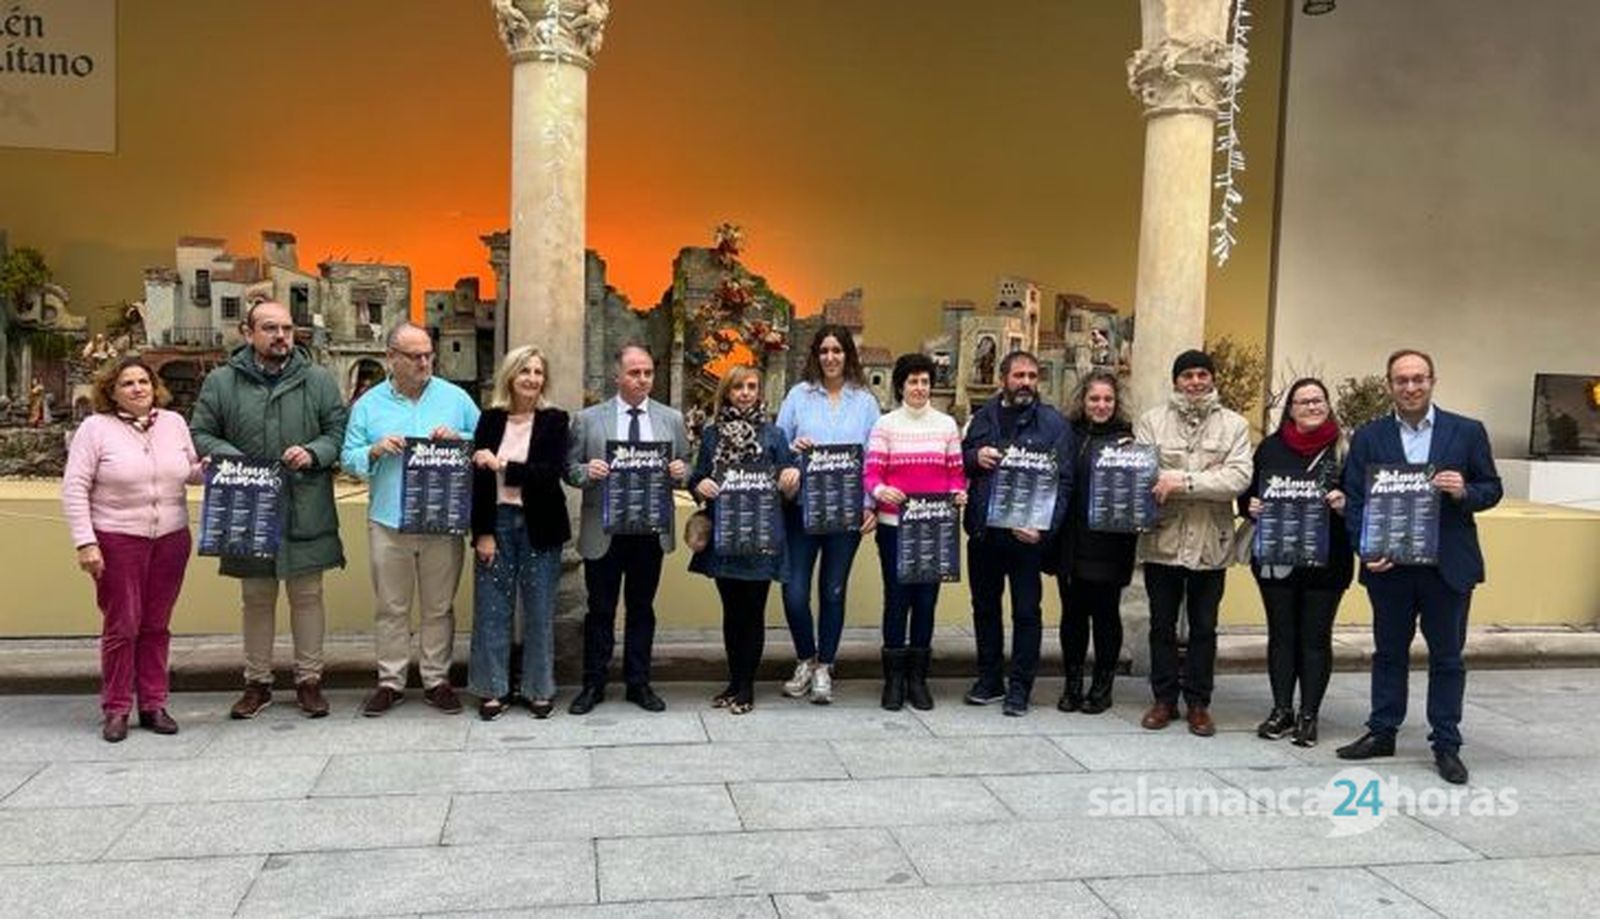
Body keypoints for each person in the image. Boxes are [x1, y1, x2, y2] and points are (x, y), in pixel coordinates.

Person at [1336, 349, 1502, 785]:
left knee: (1447, 658)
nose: (1410, 387)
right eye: (1402, 380)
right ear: (1389, 385)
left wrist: (1464, 491)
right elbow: (1355, 500)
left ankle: (1446, 743)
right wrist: (1364, 548)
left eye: (1418, 379)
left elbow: (1492, 488)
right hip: (1389, 565)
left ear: (1432, 381)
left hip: (1447, 566)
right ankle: (1382, 731)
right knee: (1388, 653)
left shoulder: (1466, 431)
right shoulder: (1369, 436)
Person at [190, 300, 348, 720]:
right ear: (248, 333)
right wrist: (238, 460)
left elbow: (338, 431)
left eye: (287, 329)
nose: (281, 336)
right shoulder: (221, 382)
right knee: (256, 598)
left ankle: (309, 681)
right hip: (248, 505)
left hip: (305, 505)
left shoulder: (318, 380)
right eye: (270, 328)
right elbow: (201, 433)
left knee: (308, 596)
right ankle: (256, 683)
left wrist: (313, 452)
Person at [340, 323, 481, 717]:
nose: (424, 362)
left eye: (428, 354)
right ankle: (391, 682)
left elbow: (486, 440)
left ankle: (437, 681)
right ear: (391, 358)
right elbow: (347, 456)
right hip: (389, 520)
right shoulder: (368, 404)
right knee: (391, 607)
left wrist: (459, 438)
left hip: (441, 518)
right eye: (414, 356)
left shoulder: (456, 398)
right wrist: (374, 450)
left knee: (439, 606)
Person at [61, 357, 201, 742]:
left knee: (156, 624)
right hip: (118, 538)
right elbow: (74, 487)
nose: (138, 389)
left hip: (171, 538)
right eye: (128, 383)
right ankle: (117, 706)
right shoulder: (95, 429)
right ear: (112, 391)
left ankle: (154, 703)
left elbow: (189, 470)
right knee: (122, 625)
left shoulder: (173, 423)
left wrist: (211, 469)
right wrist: (85, 542)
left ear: (155, 387)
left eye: (144, 381)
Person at [565, 344, 689, 714]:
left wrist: (680, 471)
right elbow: (569, 468)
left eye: (648, 372)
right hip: (604, 529)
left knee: (642, 608)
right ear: (617, 375)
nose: (642, 379)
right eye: (635, 373)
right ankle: (593, 684)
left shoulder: (671, 419)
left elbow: (686, 463)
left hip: (649, 529)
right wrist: (587, 472)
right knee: (600, 609)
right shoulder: (588, 419)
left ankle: (639, 683)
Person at [1134, 349, 1252, 737]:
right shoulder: (1151, 421)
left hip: (1210, 542)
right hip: (1163, 539)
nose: (1196, 382)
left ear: (1212, 378)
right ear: (1176, 381)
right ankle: (1164, 699)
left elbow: (1237, 479)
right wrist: (1207, 478)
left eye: (1202, 374)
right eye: (1188, 375)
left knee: (1204, 627)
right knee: (1161, 626)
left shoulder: (1234, 425)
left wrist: (1182, 481)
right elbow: (1147, 477)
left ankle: (1199, 703)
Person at [1238, 377, 1354, 748]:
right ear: (1290, 409)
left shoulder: (1346, 449)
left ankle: (1309, 714)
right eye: (1303, 402)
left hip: (1327, 561)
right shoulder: (1271, 448)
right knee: (1282, 635)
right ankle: (1282, 709)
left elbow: (1364, 500)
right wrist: (1250, 506)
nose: (1312, 407)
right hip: (1278, 558)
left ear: (1328, 405)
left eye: (1318, 400)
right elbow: (1247, 495)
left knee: (1315, 638)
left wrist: (1345, 504)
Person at [961, 350, 1074, 717]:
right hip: (985, 534)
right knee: (985, 609)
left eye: (1032, 376)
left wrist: (1044, 530)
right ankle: (989, 679)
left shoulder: (1054, 424)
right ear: (1003, 379)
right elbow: (961, 459)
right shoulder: (983, 417)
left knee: (1026, 612)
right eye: (1019, 376)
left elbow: (1064, 482)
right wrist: (974, 457)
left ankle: (1020, 687)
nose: (1026, 382)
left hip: (1026, 537)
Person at [775, 324, 881, 704]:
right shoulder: (798, 396)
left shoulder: (865, 402)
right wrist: (793, 450)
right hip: (801, 510)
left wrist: (871, 504)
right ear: (815, 356)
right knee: (794, 592)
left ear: (847, 354)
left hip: (845, 514)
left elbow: (874, 458)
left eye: (837, 350)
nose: (831, 357)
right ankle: (806, 657)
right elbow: (777, 447)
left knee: (833, 591)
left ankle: (825, 666)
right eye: (824, 351)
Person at [688, 366, 800, 715]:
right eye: (738, 387)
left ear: (760, 392)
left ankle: (747, 687)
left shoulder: (775, 435)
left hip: (761, 537)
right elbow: (698, 477)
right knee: (732, 613)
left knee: (753, 612)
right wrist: (700, 485)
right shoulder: (711, 435)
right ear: (727, 392)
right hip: (725, 537)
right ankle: (734, 681)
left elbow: (788, 484)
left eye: (752, 387)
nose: (746, 393)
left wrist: (790, 479)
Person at [467, 345, 570, 720]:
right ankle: (492, 688)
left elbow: (549, 473)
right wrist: (482, 533)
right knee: (492, 609)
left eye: (538, 372)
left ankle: (538, 688)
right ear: (510, 376)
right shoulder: (490, 419)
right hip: (496, 521)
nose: (532, 378)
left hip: (540, 524)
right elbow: (478, 481)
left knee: (539, 610)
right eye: (525, 371)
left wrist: (502, 465)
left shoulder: (555, 420)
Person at [863, 353, 966, 711]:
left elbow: (956, 473)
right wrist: (880, 491)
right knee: (897, 600)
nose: (919, 388)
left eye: (925, 382)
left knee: (925, 602)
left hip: (934, 528)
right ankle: (893, 681)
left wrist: (959, 492)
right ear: (901, 386)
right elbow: (871, 473)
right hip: (894, 527)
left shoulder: (947, 426)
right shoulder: (885, 425)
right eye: (913, 382)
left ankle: (918, 680)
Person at [1047, 370, 1137, 715]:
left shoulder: (1129, 440)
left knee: (1105, 615)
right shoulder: (1068, 435)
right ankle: (1072, 685)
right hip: (1071, 540)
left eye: (1108, 399)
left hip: (1110, 544)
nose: (1101, 405)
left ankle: (1102, 686)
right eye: (1094, 398)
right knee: (1072, 615)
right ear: (1082, 401)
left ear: (1116, 403)